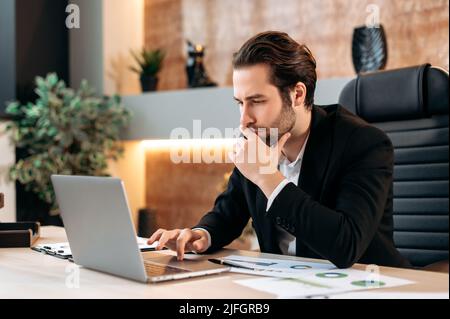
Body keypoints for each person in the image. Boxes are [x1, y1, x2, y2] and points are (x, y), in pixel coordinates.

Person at [148, 31, 411, 269]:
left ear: (297, 94)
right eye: (240, 102)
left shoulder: (363, 143)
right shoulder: (258, 138)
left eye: (257, 101)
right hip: (287, 286)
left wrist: (267, 177)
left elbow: (346, 246)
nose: (244, 119)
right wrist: (202, 234)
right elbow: (229, 211)